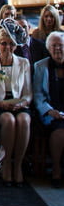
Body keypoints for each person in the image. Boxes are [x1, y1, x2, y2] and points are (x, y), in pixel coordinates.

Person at [0, 25, 32, 186]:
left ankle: (18, 165)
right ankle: (6, 163)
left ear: (15, 46)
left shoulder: (23, 63)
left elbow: (28, 93)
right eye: (3, 43)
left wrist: (22, 103)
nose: (7, 47)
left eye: (11, 44)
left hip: (18, 104)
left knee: (23, 119)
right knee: (9, 120)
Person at [33, 31, 64, 187]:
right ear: (48, 48)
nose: (58, 49)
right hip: (51, 112)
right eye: (54, 46)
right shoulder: (41, 66)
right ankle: (56, 170)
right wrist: (49, 110)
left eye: (61, 45)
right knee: (59, 131)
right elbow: (38, 95)